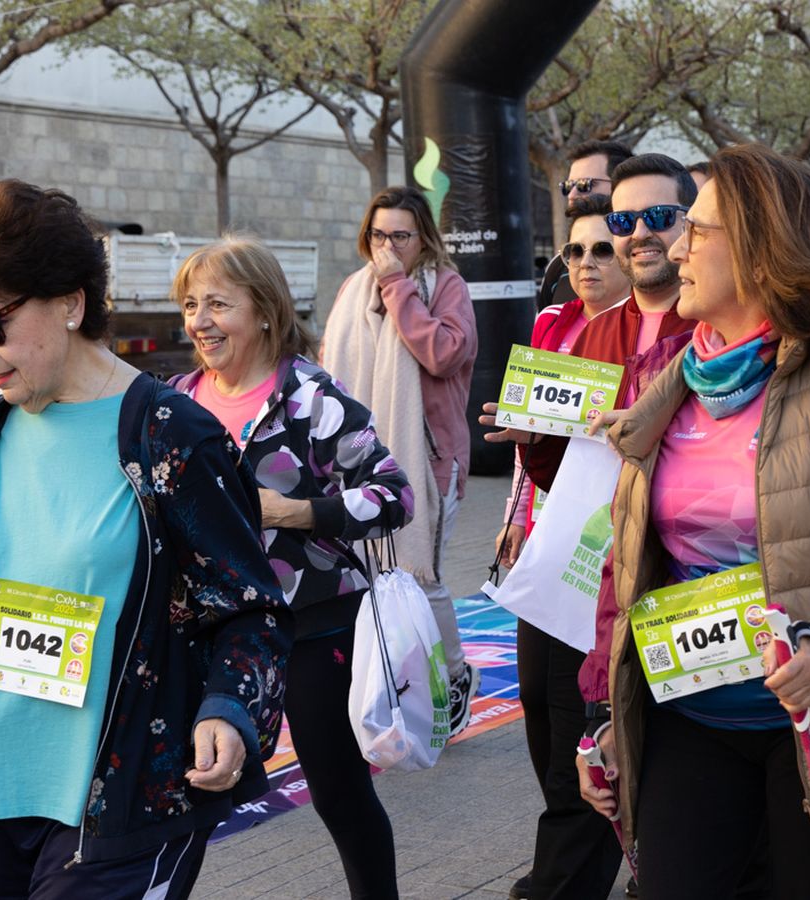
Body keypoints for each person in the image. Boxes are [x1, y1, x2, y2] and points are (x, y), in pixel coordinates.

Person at [575, 144, 810, 900]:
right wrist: (603, 713)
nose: (676, 248)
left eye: (698, 230)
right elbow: (624, 563)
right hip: (688, 720)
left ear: (764, 249)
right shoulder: (664, 382)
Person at [0, 179, 291, 897]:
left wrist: (230, 709)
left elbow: (249, 608)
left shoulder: (172, 436)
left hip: (123, 799)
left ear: (70, 303)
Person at [171, 237, 413, 899]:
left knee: (339, 794)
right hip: (209, 633)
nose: (200, 321)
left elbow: (395, 495)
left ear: (265, 311)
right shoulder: (176, 402)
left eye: (219, 304)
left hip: (313, 624)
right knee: (185, 796)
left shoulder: (310, 397)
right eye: (191, 305)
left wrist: (295, 511)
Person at [499, 198, 632, 900]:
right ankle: (573, 850)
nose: (585, 263)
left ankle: (566, 872)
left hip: (612, 547)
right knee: (539, 706)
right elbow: (536, 442)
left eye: (601, 249)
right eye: (573, 252)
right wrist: (515, 514)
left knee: (580, 718)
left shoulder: (651, 331)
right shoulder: (553, 324)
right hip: (548, 541)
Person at [322, 186, 479, 739]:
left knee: (419, 577)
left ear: (423, 238)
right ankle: (394, 684)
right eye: (378, 235)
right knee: (367, 579)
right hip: (361, 462)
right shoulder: (352, 290)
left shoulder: (445, 286)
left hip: (427, 462)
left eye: (400, 236)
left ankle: (455, 677)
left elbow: (444, 354)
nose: (386, 247)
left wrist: (396, 286)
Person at [511, 153, 700, 495]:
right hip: (607, 526)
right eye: (623, 222)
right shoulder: (595, 333)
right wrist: (536, 440)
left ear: (691, 224)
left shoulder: (717, 328)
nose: (639, 233)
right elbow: (566, 477)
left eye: (658, 216)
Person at [538, 140, 635, 311]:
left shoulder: (653, 261)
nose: (572, 195)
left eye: (584, 184)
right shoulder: (558, 267)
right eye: (568, 186)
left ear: (623, 186)